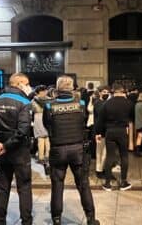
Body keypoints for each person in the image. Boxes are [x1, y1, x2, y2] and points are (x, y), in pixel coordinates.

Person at [43, 76, 100, 225]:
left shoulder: (49, 106)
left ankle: (56, 220)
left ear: (57, 88)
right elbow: (83, 121)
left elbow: (46, 124)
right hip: (78, 150)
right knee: (83, 184)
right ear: (72, 87)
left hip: (57, 150)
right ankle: (91, 219)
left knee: (57, 185)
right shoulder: (80, 104)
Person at [0, 73, 33, 225]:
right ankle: (26, 221)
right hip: (19, 152)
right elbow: (23, 130)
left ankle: (0, 222)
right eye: (27, 83)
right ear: (19, 84)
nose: (29, 86)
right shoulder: (24, 102)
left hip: (2, 152)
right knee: (24, 188)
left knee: (3, 187)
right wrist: (6, 146)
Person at [95, 83, 133, 191]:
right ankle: (124, 182)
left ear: (113, 91)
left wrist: (98, 133)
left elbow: (100, 121)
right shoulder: (129, 103)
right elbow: (131, 119)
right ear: (123, 91)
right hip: (122, 131)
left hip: (110, 132)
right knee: (124, 156)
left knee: (110, 156)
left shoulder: (107, 104)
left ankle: (107, 183)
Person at [93, 86, 110, 178]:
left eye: (107, 92)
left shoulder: (105, 102)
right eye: (104, 92)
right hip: (100, 130)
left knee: (104, 152)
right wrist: (97, 133)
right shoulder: (99, 103)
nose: (106, 93)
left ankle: (101, 169)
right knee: (100, 151)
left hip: (105, 130)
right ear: (99, 93)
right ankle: (99, 170)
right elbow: (100, 117)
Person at [32, 85, 50, 167]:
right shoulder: (49, 100)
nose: (46, 92)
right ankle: (47, 156)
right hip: (47, 118)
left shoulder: (34, 100)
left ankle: (41, 157)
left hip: (38, 119)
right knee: (47, 138)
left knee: (40, 139)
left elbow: (32, 110)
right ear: (42, 91)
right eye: (45, 90)